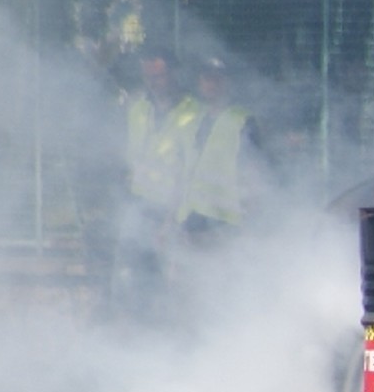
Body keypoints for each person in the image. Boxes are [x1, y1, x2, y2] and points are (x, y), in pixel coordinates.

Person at [112, 47, 201, 317]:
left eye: (159, 75)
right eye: (148, 75)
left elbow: (191, 172)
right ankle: (136, 330)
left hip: (173, 208)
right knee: (130, 275)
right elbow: (131, 157)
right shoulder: (138, 108)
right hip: (139, 206)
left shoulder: (193, 113)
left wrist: (171, 219)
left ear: (173, 74)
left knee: (172, 279)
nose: (153, 81)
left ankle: (171, 336)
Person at [177, 55, 267, 245]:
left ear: (228, 82)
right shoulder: (193, 120)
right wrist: (172, 222)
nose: (211, 84)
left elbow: (255, 174)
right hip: (192, 218)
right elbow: (184, 172)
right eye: (206, 78)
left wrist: (250, 224)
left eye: (217, 79)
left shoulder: (243, 121)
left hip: (226, 224)